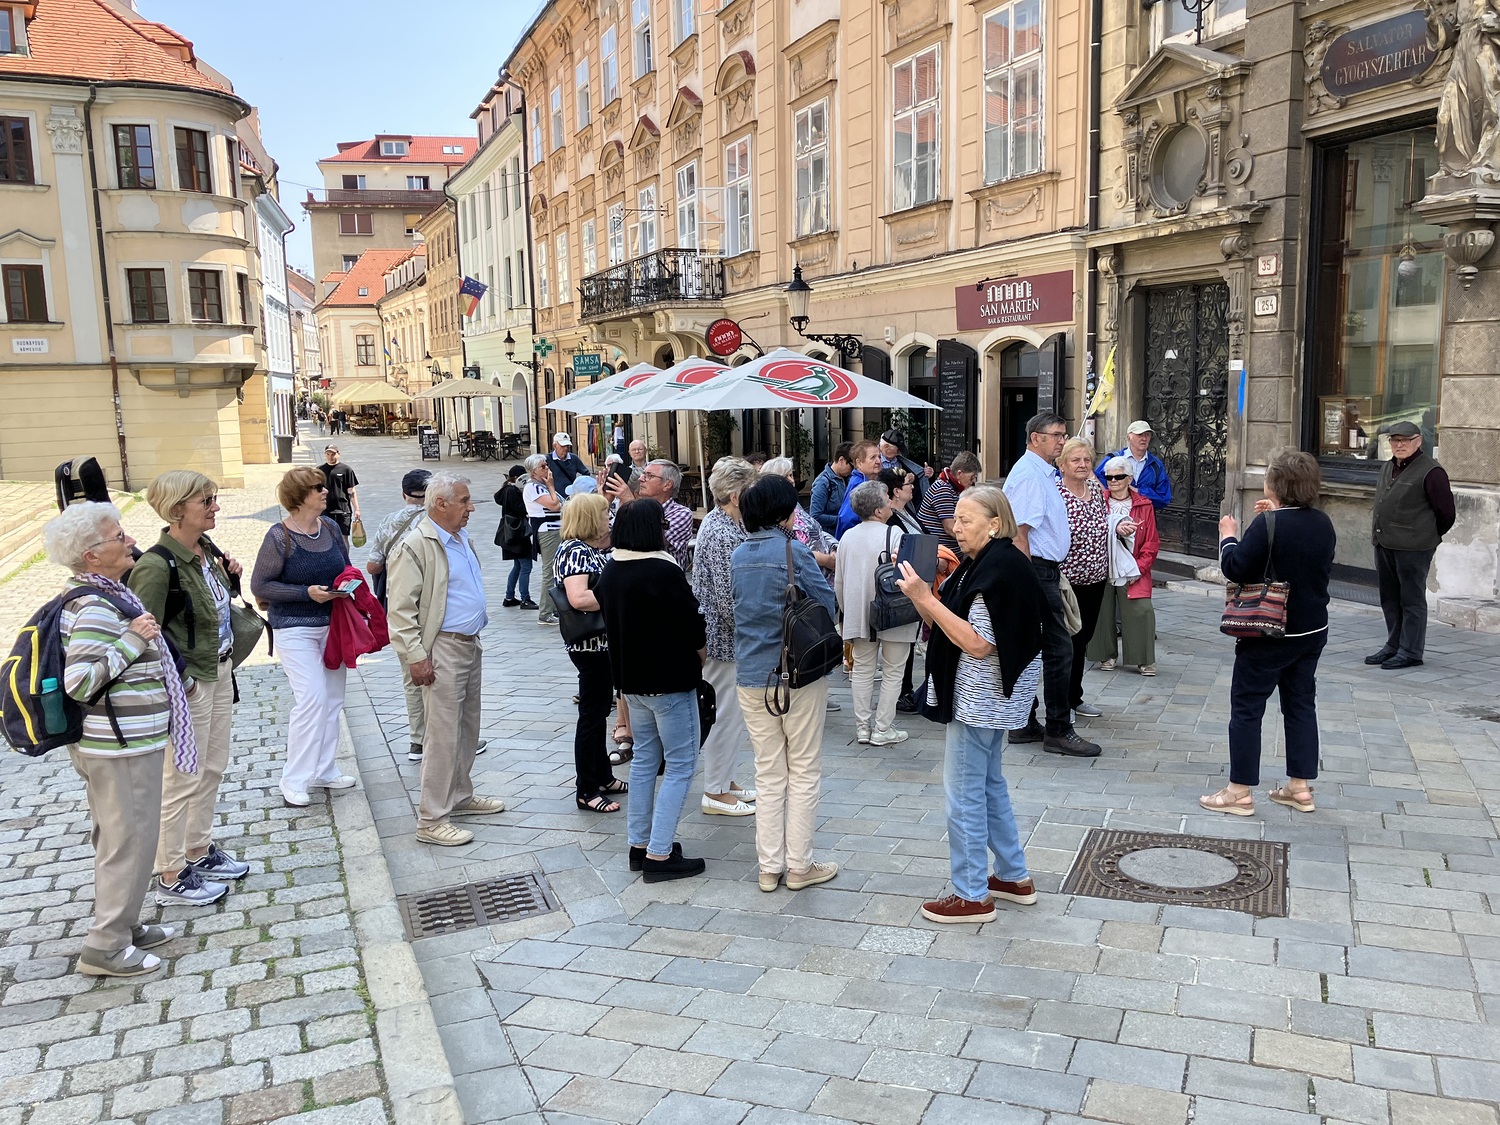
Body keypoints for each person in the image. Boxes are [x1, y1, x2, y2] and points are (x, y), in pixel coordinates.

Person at [46, 503, 197, 976]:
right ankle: (105, 946)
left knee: (128, 837)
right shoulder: (94, 606)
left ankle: (125, 925)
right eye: (119, 537)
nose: (130, 541)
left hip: (125, 743)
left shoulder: (107, 593)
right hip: (119, 747)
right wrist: (133, 640)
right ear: (91, 555)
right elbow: (80, 683)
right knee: (126, 842)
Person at [894, 486, 1045, 923]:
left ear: (995, 524)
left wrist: (926, 598)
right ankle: (1013, 877)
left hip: (981, 698)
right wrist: (920, 595)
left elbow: (979, 644)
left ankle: (971, 894)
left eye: (966, 520)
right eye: (956, 519)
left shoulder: (997, 568)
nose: (956, 528)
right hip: (990, 698)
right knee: (988, 783)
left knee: (963, 794)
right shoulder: (990, 561)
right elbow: (950, 623)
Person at [128, 471, 249, 905]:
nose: (215, 506)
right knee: (181, 776)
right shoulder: (155, 566)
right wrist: (183, 684)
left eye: (213, 498)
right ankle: (170, 870)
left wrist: (231, 577)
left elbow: (212, 609)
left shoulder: (205, 549)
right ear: (178, 509)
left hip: (219, 669)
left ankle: (198, 848)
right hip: (190, 683)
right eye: (206, 501)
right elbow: (146, 636)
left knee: (212, 766)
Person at [1203, 451, 1336, 817]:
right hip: (1311, 629)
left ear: (1276, 484)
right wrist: (1272, 516)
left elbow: (1236, 567)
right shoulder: (1323, 522)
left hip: (1269, 630)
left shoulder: (1267, 524)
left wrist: (1228, 536)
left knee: (1247, 707)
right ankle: (1299, 787)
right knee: (1300, 704)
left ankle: (1239, 791)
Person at [732, 474, 840, 893]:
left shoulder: (739, 555)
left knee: (768, 771)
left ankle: (768, 867)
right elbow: (826, 604)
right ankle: (799, 866)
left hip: (751, 674)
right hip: (797, 673)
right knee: (804, 768)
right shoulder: (794, 552)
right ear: (782, 512)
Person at [386, 472, 507, 846]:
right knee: (441, 734)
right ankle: (431, 819)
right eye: (465, 501)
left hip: (469, 643)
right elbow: (400, 611)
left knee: (467, 726)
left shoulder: (460, 537)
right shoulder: (415, 545)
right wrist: (416, 657)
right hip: (442, 648)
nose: (472, 508)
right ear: (440, 504)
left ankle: (459, 795)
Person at [595, 499, 709, 882]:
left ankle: (639, 845)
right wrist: (700, 655)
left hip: (632, 683)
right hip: (670, 681)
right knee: (680, 765)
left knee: (644, 760)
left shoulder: (610, 571)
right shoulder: (663, 569)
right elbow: (692, 624)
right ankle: (659, 854)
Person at [251, 468, 358, 807]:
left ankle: (325, 770)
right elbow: (260, 586)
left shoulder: (330, 528)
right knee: (312, 698)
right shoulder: (279, 536)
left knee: (333, 700)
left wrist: (346, 585)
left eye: (323, 487)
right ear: (299, 497)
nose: (325, 491)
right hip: (294, 627)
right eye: (317, 488)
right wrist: (305, 593)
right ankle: (294, 779)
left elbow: (346, 567)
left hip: (334, 624)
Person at [1002, 412, 1101, 758]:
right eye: (1056, 435)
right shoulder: (1030, 475)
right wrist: (1029, 581)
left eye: (1063, 435)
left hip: (1045, 570)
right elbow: (1019, 534)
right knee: (1060, 651)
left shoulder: (1041, 473)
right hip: (1037, 571)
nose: (1062, 440)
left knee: (1035, 649)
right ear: (1035, 438)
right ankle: (1058, 729)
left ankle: (1024, 722)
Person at [692, 457, 760, 816]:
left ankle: (724, 779)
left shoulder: (726, 523)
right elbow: (727, 599)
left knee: (731, 716)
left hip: (726, 638)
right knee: (723, 715)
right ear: (735, 495)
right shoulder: (721, 532)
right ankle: (715, 791)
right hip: (722, 640)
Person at [554, 491, 627, 814]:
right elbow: (579, 598)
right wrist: (617, 597)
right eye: (602, 513)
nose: (607, 518)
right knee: (591, 716)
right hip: (590, 645)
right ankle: (586, 789)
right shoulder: (574, 550)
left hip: (603, 644)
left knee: (598, 714)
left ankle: (602, 775)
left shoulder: (592, 549)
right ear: (588, 518)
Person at [836, 481, 920, 746]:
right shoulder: (894, 534)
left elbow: (839, 582)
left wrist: (846, 611)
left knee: (861, 670)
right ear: (878, 509)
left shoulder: (847, 537)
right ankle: (883, 728)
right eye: (887, 499)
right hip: (894, 612)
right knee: (894, 670)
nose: (890, 503)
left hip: (858, 611)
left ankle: (862, 727)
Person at [1367, 421, 1455, 670]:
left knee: (1412, 599)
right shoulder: (1388, 466)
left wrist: (1425, 536)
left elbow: (1446, 513)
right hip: (1384, 542)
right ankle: (1393, 645)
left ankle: (1411, 651)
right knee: (1390, 598)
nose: (1399, 445)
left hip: (1414, 547)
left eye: (1405, 440)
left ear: (1418, 441)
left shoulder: (1431, 472)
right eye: (1395, 440)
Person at [1087, 456, 1161, 676]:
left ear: (1129, 478)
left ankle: (1143, 659)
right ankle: (1105, 654)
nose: (1113, 481)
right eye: (1108, 477)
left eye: (1118, 477)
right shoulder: (1097, 501)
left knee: (1141, 610)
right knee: (1101, 610)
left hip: (1133, 566)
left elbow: (1151, 542)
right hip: (1103, 565)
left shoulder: (1144, 505)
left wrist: (1139, 567)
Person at [1057, 438, 1110, 721]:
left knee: (1084, 637)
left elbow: (1104, 522)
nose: (1082, 464)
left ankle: (1074, 697)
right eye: (1075, 460)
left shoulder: (1095, 490)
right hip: (1068, 580)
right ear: (1062, 464)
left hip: (1096, 577)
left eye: (1087, 460)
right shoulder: (1057, 493)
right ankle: (1063, 701)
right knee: (1069, 641)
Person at [609, 459, 694, 571]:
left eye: (649, 475)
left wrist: (630, 502)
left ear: (667, 485)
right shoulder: (628, 508)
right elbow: (604, 541)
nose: (641, 479)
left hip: (660, 579)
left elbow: (652, 541)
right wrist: (605, 502)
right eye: (643, 474)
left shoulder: (681, 514)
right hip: (628, 577)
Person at [764, 457, 837, 569]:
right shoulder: (772, 512)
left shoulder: (795, 505)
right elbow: (788, 550)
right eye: (785, 477)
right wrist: (825, 560)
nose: (791, 480)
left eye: (791, 475)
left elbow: (817, 531)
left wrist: (833, 547)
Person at [1095, 420, 1172, 509]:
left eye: (1147, 435)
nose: (1144, 438)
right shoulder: (1113, 459)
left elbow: (1164, 499)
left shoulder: (1156, 465)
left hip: (1144, 514)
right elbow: (1096, 485)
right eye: (1140, 435)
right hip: (1114, 512)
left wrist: (1139, 491)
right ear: (1129, 438)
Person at [524, 454, 563, 626]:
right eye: (543, 467)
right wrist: (551, 486)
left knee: (556, 569)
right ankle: (545, 612)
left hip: (555, 530)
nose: (547, 468)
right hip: (547, 531)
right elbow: (554, 505)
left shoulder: (541, 486)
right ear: (534, 471)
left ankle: (553, 607)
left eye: (546, 465)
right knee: (549, 571)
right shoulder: (533, 487)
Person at [494, 464, 538, 610]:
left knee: (518, 566)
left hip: (510, 533)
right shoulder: (513, 491)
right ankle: (525, 598)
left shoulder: (506, 490)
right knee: (526, 566)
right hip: (518, 534)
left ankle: (509, 597)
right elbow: (521, 508)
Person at [919, 452, 982, 552]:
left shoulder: (955, 488)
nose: (974, 481)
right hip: (939, 553)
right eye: (972, 477)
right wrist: (975, 542)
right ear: (959, 474)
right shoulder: (943, 489)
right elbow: (950, 528)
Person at [834, 440, 884, 538]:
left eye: (879, 457)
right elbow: (846, 519)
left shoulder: (866, 481)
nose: (878, 461)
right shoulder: (859, 485)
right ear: (859, 463)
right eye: (873, 457)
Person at [810, 443, 854, 535]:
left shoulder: (849, 478)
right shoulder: (822, 483)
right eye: (852, 466)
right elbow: (815, 516)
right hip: (831, 536)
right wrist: (841, 519)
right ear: (841, 460)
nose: (853, 470)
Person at [318, 444, 361, 537]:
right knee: (326, 537)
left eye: (333, 454)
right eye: (328, 454)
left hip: (343, 510)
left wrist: (356, 509)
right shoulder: (319, 470)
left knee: (343, 537)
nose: (330, 457)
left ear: (338, 454)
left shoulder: (346, 470)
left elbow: (351, 491)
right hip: (325, 510)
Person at [878, 429, 930, 505]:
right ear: (886, 447)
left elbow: (917, 474)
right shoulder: (874, 461)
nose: (899, 453)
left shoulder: (901, 461)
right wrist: (904, 478)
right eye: (897, 450)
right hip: (882, 502)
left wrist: (924, 473)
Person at [879, 468, 922, 534]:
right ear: (896, 491)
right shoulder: (889, 519)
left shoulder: (905, 509)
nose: (912, 486)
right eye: (908, 483)